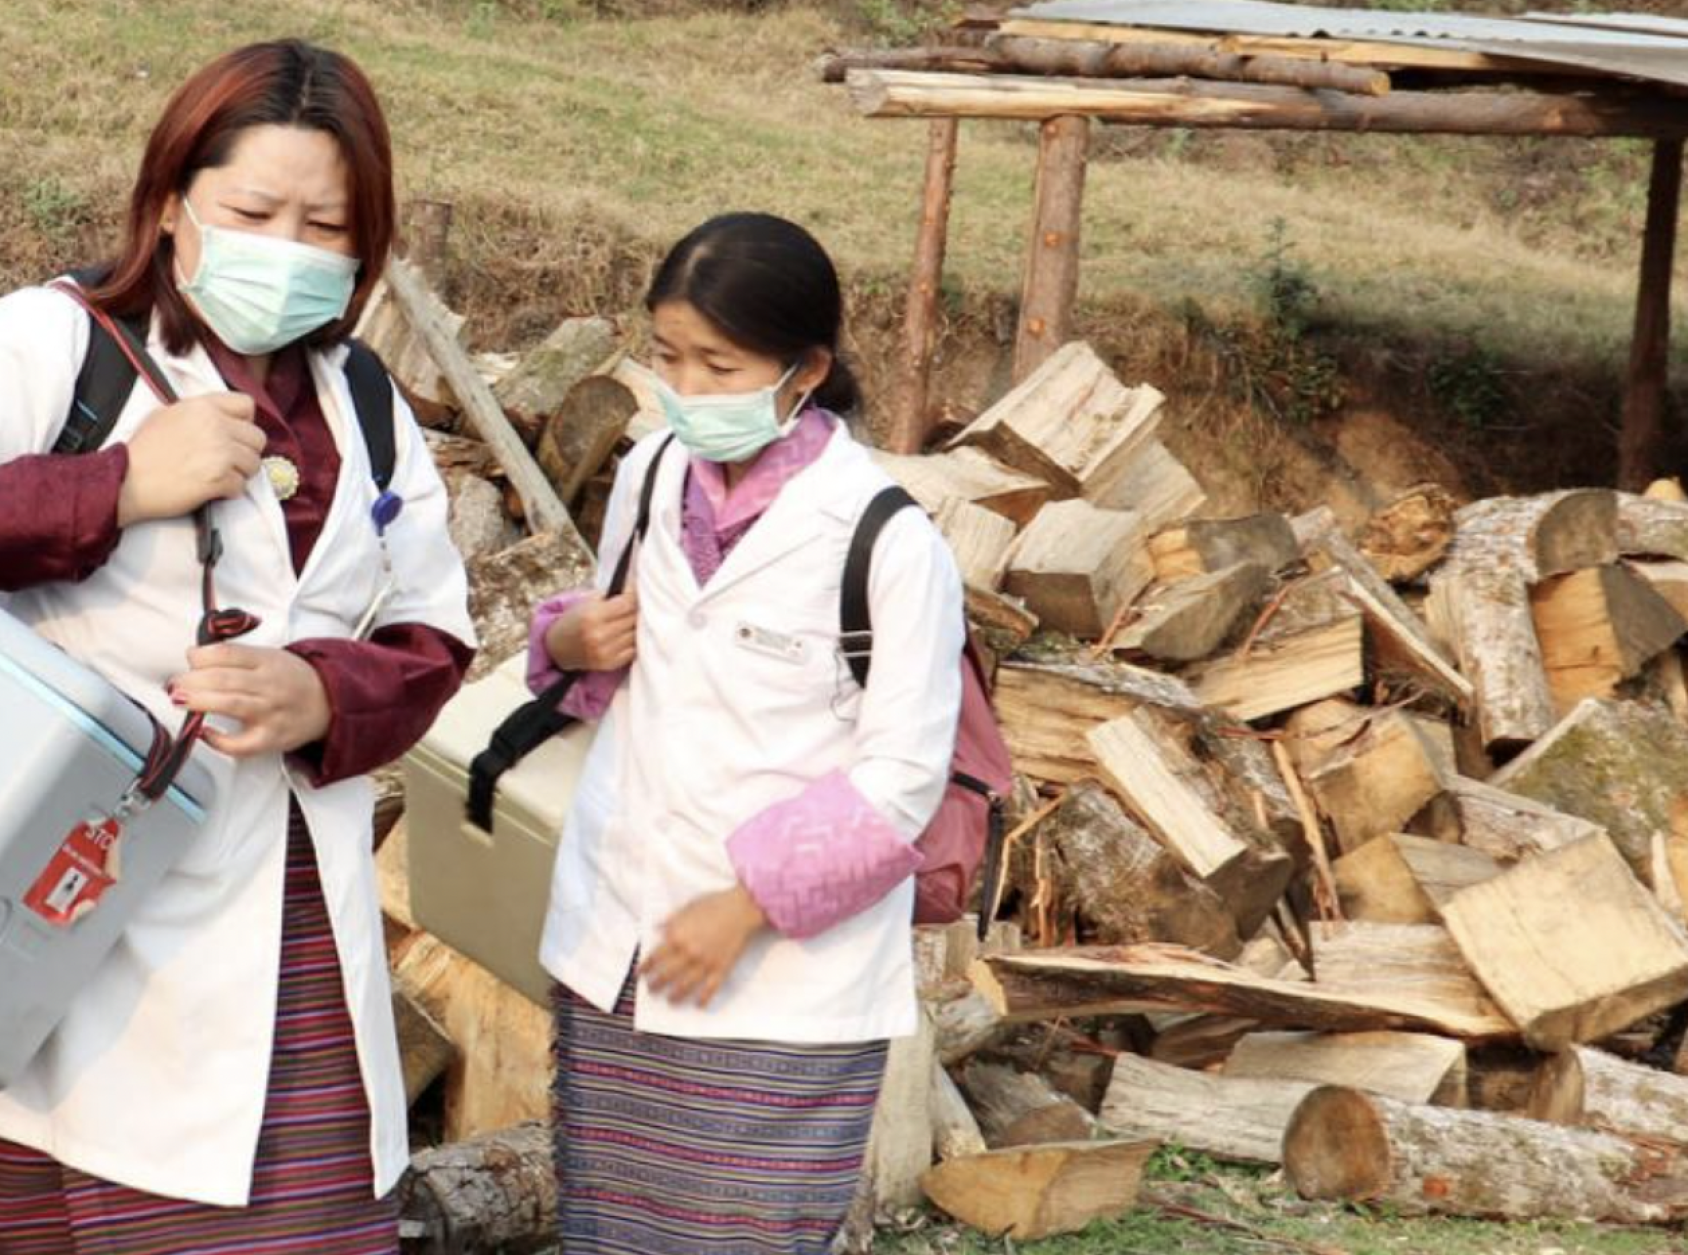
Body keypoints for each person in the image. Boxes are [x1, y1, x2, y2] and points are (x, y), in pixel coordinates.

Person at [0, 40, 474, 1254]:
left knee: (278, 1214)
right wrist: (113, 487)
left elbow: (432, 632)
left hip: (271, 918)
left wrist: (321, 694)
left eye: (327, 226)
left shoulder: (363, 400)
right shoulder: (52, 348)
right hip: (41, 883)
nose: (290, 249)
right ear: (169, 206)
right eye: (255, 211)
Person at [528, 212, 964, 1254]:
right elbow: (614, 659)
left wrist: (746, 904)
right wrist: (572, 641)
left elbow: (903, 775)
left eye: (718, 364)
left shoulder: (885, 538)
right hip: (623, 947)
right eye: (668, 355)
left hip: (778, 987)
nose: (685, 387)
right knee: (610, 1229)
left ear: (804, 368)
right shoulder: (646, 475)